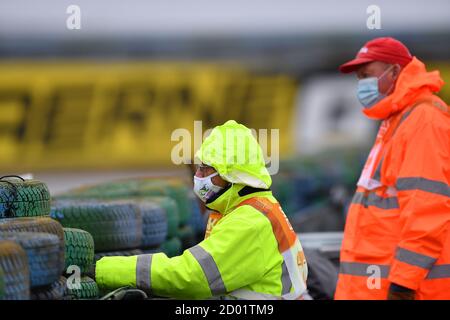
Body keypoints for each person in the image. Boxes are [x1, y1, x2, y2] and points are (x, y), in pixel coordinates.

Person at [95, 120, 308, 299]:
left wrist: (104, 270)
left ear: (231, 175)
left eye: (206, 168)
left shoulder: (248, 223)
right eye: (199, 167)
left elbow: (190, 276)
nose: (198, 176)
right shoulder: (254, 208)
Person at [335, 37, 450, 300]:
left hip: (398, 290)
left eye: (367, 75)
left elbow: (426, 210)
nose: (363, 85)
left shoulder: (423, 121)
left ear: (395, 71)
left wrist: (403, 285)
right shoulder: (398, 119)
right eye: (359, 78)